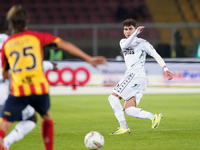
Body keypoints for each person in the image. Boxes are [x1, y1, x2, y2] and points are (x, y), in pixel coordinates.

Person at [0, 5, 106, 150]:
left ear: (10, 23)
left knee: (4, 124)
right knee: (46, 117)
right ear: (27, 21)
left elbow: (5, 74)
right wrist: (88, 59)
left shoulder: (7, 44)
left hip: (19, 91)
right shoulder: (37, 37)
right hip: (40, 89)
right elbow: (64, 44)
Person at [108, 19, 173, 135]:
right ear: (123, 31)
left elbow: (156, 55)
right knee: (128, 109)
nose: (128, 31)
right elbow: (127, 45)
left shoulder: (142, 43)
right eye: (126, 29)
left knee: (112, 98)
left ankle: (124, 127)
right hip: (139, 79)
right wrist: (135, 33)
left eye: (130, 29)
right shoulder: (123, 42)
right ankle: (153, 116)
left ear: (134, 29)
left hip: (135, 75)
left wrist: (165, 69)